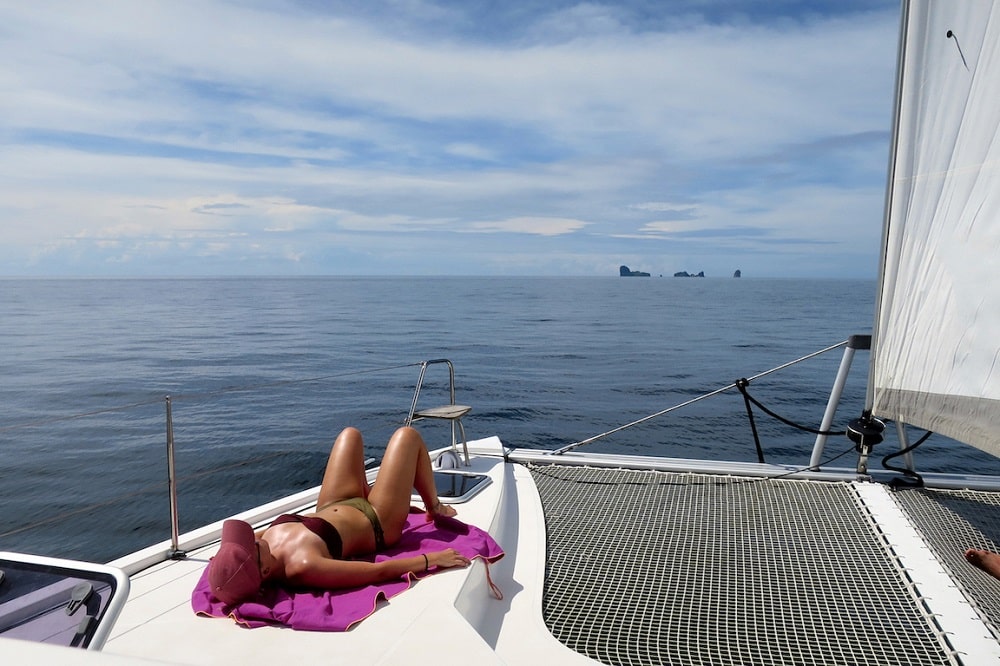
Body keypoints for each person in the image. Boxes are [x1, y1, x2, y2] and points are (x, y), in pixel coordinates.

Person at [209, 426, 470, 605]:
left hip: (334, 504)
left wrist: (225, 565)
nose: (251, 539)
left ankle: (374, 488)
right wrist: (432, 559)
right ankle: (433, 506)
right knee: (407, 436)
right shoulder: (304, 566)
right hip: (377, 521)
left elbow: (233, 562)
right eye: (250, 545)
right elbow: (376, 572)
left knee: (350, 435)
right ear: (264, 570)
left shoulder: (262, 548)